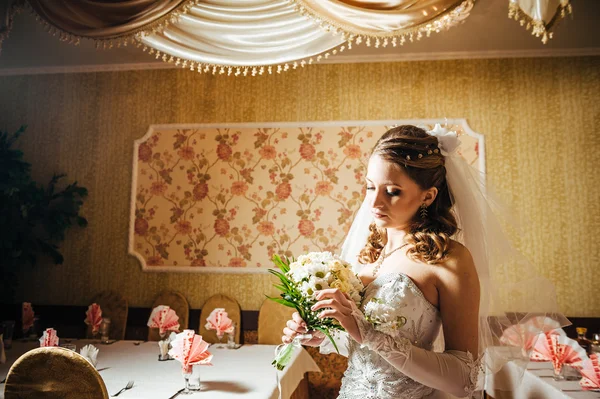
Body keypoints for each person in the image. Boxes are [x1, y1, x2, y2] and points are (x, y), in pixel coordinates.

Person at [282, 124, 568, 398]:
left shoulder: (450, 260)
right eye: (370, 187)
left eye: (392, 191)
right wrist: (321, 334)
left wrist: (369, 335)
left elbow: (463, 380)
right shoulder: (364, 255)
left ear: (428, 196)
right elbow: (363, 350)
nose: (374, 203)